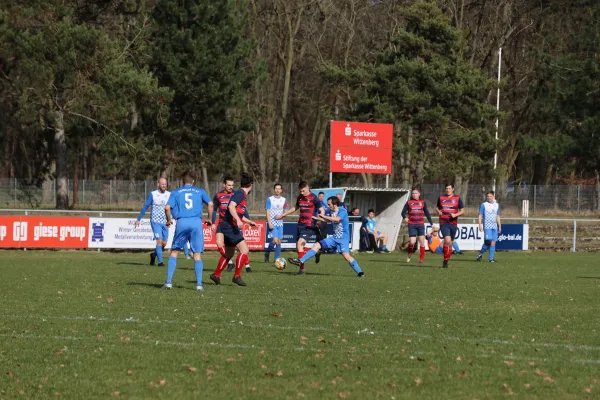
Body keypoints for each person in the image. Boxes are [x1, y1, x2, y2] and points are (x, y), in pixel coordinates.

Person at [288, 196, 365, 278]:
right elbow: (329, 220)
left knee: (346, 256)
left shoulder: (342, 210)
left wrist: (324, 216)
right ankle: (301, 260)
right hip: (334, 238)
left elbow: (337, 219)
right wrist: (317, 218)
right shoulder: (332, 212)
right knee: (316, 245)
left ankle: (360, 272)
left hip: (343, 239)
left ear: (335, 204)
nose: (328, 206)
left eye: (329, 204)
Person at [162, 172, 214, 291]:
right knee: (197, 254)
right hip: (196, 222)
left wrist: (169, 220)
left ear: (182, 181)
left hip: (182, 222)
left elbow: (167, 207)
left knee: (175, 251)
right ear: (193, 181)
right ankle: (199, 285)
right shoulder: (200, 191)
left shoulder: (176, 192)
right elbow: (210, 204)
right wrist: (210, 219)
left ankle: (169, 283)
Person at [210, 172, 257, 287]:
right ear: (251, 186)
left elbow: (238, 213)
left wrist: (248, 221)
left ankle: (216, 275)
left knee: (229, 253)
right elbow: (231, 206)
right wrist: (238, 220)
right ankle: (236, 277)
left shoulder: (240, 194)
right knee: (244, 250)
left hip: (229, 226)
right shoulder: (240, 194)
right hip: (229, 226)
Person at [276, 181, 325, 274]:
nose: (302, 193)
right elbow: (295, 207)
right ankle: (314, 253)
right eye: (300, 191)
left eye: (303, 191)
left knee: (300, 244)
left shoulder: (314, 198)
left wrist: (319, 219)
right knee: (299, 248)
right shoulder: (300, 197)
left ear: (307, 187)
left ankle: (301, 269)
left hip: (309, 225)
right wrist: (283, 214)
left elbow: (321, 209)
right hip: (300, 224)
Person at [210, 176, 246, 273]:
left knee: (240, 248)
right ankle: (230, 262)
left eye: (232, 185)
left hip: (232, 226)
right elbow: (214, 211)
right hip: (222, 224)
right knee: (219, 243)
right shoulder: (218, 195)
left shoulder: (236, 195)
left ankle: (242, 264)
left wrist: (247, 220)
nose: (231, 187)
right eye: (229, 185)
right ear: (224, 185)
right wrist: (213, 223)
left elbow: (243, 209)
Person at [135, 178, 170, 267]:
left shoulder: (169, 195)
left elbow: (172, 208)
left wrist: (174, 218)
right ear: (158, 184)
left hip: (165, 222)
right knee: (159, 241)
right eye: (162, 184)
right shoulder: (153, 194)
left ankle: (153, 255)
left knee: (164, 244)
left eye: (165, 184)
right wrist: (139, 219)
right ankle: (160, 262)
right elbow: (146, 206)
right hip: (155, 221)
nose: (164, 186)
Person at [401, 187, 433, 263]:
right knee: (412, 242)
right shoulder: (409, 202)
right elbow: (402, 212)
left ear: (419, 194)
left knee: (422, 241)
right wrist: (405, 217)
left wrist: (431, 223)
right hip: (412, 224)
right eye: (413, 193)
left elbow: (427, 213)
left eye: (416, 193)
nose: (414, 195)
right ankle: (409, 253)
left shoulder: (422, 202)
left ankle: (421, 259)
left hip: (420, 224)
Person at [436, 183, 465, 268]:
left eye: (449, 188)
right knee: (447, 240)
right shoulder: (441, 198)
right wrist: (439, 212)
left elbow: (462, 210)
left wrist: (455, 215)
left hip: (453, 223)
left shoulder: (457, 199)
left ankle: (447, 259)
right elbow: (437, 207)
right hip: (443, 222)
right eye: (446, 188)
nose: (447, 190)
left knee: (450, 243)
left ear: (453, 189)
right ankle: (445, 260)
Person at [264, 183, 288, 263]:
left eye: (279, 189)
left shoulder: (284, 200)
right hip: (272, 222)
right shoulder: (269, 199)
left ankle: (276, 259)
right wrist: (269, 222)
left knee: (279, 242)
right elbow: (267, 211)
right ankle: (267, 253)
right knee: (275, 241)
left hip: (280, 223)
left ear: (281, 190)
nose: (277, 190)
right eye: (276, 188)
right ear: (274, 189)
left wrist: (283, 215)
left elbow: (286, 211)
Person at [477, 191, 502, 262]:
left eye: (490, 196)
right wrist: (480, 224)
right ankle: (480, 254)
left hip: (494, 226)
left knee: (493, 242)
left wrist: (499, 226)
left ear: (493, 196)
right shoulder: (484, 205)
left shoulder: (497, 205)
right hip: (487, 226)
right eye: (488, 196)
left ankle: (491, 259)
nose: (489, 197)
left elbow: (498, 216)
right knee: (488, 242)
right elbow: (480, 215)